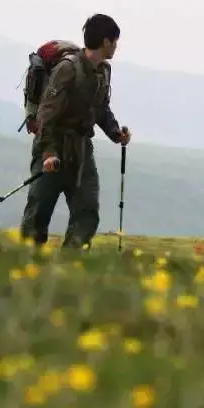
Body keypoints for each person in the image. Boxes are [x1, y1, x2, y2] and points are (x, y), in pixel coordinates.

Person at [20, 14, 131, 249]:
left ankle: (70, 269)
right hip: (53, 147)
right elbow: (46, 114)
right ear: (105, 42)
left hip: (82, 149)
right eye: (115, 41)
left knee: (87, 211)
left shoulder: (103, 71)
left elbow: (100, 107)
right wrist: (48, 153)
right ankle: (28, 265)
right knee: (38, 213)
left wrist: (115, 134)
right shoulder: (67, 69)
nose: (116, 47)